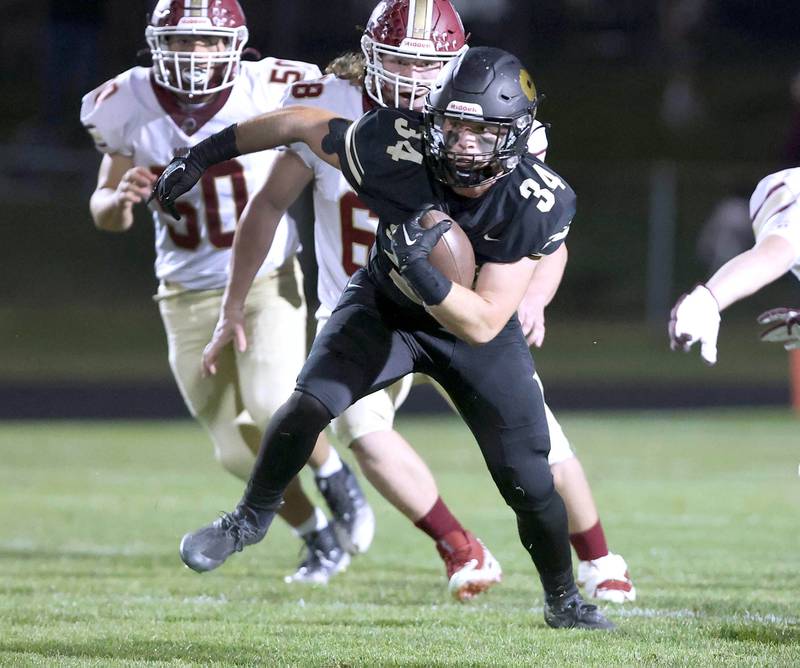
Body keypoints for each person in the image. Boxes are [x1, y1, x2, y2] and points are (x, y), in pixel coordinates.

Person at [152, 45, 616, 629]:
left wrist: (423, 270)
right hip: (385, 307)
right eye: (453, 125)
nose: (463, 144)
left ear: (518, 135)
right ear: (434, 117)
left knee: (529, 478)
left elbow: (484, 321)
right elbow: (299, 123)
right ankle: (247, 520)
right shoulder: (393, 142)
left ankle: (564, 599)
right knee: (307, 404)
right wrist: (201, 155)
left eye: (483, 132)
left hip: (471, 333)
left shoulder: (535, 200)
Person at [80, 0, 374, 585]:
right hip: (183, 291)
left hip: (266, 277)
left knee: (271, 403)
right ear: (157, 44)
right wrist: (118, 203)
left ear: (236, 44)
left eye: (209, 42)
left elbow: (343, 102)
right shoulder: (125, 103)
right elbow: (102, 209)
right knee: (235, 452)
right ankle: (316, 536)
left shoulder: (272, 86)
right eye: (184, 43)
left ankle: (339, 479)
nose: (196, 55)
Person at [669, 168, 800, 364]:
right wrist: (712, 298)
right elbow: (777, 253)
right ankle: (706, 300)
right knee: (783, 249)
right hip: (788, 192)